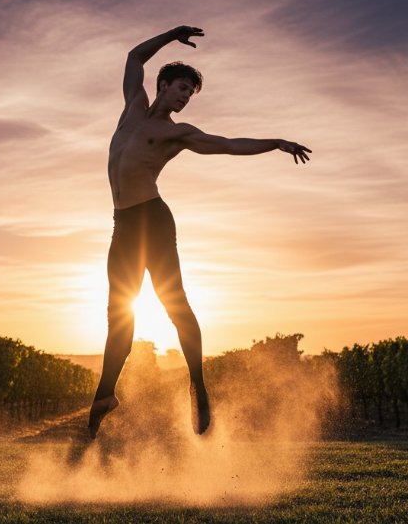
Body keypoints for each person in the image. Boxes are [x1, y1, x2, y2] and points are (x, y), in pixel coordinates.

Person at [88, 26, 311, 439]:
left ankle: (198, 386)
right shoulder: (132, 107)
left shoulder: (179, 132)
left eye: (189, 94)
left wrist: (275, 142)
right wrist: (172, 34)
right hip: (122, 225)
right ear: (163, 85)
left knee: (175, 304)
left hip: (153, 219)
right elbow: (134, 57)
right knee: (117, 314)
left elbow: (227, 144)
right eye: (181, 89)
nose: (184, 97)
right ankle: (105, 394)